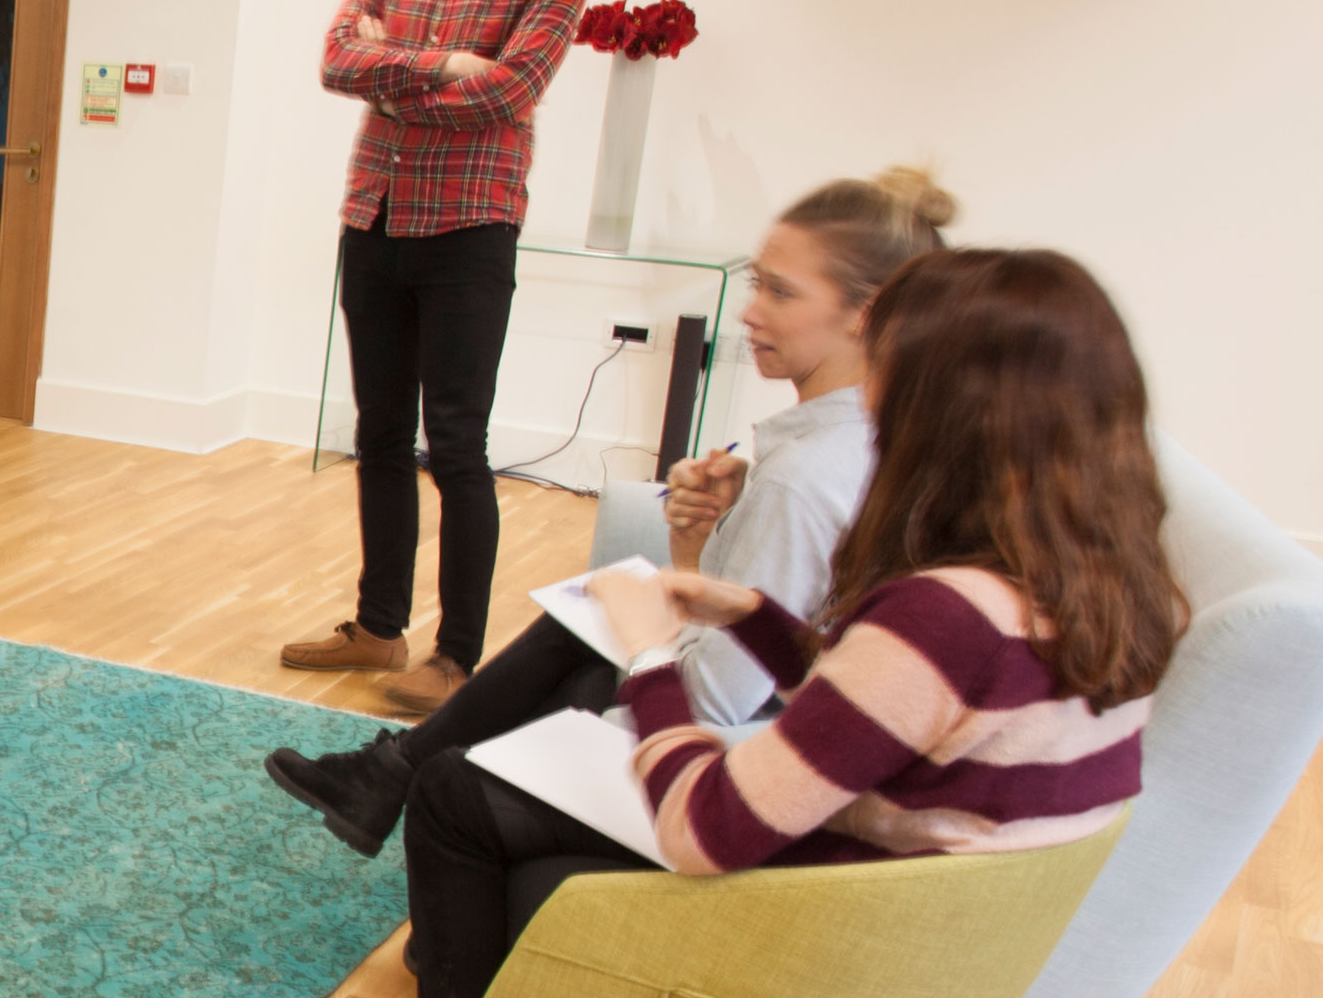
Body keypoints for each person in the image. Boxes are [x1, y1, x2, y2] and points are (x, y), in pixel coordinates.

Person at [383, 247, 1181, 998]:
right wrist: (756, 618)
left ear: (940, 408)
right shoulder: (1119, 591)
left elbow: (706, 830)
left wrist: (646, 656)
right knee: (488, 819)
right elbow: (894, 723)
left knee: (458, 811)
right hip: (915, 991)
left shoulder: (943, 618)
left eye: (882, 373)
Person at [263, 168, 956, 855]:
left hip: (763, 741)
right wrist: (698, 541)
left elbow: (722, 693)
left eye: (779, 291)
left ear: (864, 314)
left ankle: (413, 788)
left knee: (580, 640)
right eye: (754, 283)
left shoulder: (804, 476)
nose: (749, 311)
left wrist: (647, 629)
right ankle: (401, 780)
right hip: (794, 702)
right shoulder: (874, 432)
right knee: (582, 629)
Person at [284, 0, 596, 718]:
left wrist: (398, 68)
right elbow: (336, 61)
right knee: (375, 432)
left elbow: (513, 90)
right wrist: (444, 63)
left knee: (455, 443)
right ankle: (380, 626)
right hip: (373, 214)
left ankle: (455, 656)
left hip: (469, 225)